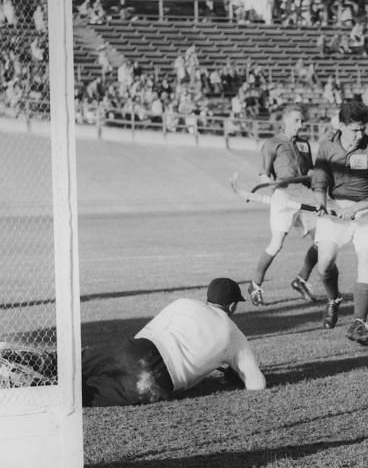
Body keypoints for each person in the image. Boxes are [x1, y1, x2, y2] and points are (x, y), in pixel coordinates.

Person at [81, 278, 265, 407]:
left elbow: (148, 332)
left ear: (207, 297)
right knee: (83, 394)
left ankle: (52, 364)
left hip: (138, 349)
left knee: (77, 362)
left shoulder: (183, 303)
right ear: (232, 306)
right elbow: (257, 384)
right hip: (158, 382)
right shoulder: (234, 334)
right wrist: (238, 375)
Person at [311, 100, 368, 346]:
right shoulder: (327, 147)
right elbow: (319, 183)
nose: (359, 135)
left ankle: (359, 323)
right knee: (324, 265)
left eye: (362, 129)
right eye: (354, 129)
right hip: (336, 211)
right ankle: (334, 299)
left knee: (366, 262)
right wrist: (321, 201)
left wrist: (357, 207)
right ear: (341, 125)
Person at [247, 105, 321, 306]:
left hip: (305, 196)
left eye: (302, 120)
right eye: (297, 120)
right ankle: (255, 285)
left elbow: (311, 171)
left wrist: (314, 175)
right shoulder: (272, 144)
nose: (301, 124)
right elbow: (264, 173)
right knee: (277, 244)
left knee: (321, 241)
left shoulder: (304, 144)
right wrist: (270, 182)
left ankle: (301, 280)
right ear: (286, 122)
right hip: (284, 196)